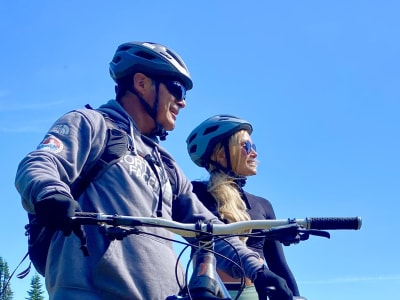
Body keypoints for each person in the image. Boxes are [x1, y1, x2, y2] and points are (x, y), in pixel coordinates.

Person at [15, 41, 293, 300]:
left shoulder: (166, 164)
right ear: (141, 83)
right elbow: (40, 163)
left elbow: (210, 229)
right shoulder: (93, 124)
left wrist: (257, 269)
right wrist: (50, 193)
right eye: (177, 89)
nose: (182, 102)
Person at [186, 114, 300, 299]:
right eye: (246, 146)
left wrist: (296, 295)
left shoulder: (262, 205)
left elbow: (278, 265)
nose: (254, 153)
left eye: (253, 147)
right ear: (222, 154)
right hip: (209, 292)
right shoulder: (195, 193)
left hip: (254, 293)